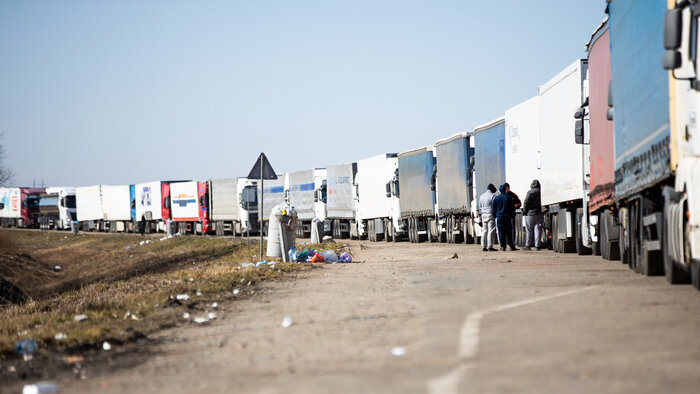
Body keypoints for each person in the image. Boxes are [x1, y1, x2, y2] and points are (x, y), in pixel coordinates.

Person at [492, 184, 518, 251]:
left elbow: (493, 209)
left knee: (501, 232)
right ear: (505, 190)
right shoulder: (509, 198)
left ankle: (503, 246)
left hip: (499, 217)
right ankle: (511, 246)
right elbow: (512, 208)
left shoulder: (496, 198)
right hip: (507, 217)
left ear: (499, 190)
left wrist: (495, 216)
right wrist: (512, 215)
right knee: (509, 232)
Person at [522, 179, 543, 250]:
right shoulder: (541, 192)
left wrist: (524, 211)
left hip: (530, 214)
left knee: (529, 230)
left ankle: (528, 245)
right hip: (539, 214)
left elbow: (526, 202)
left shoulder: (530, 192)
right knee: (538, 230)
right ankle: (538, 246)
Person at [478, 184, 498, 252]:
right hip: (490, 214)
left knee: (484, 231)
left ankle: (483, 246)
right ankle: (490, 246)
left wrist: (480, 217)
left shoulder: (481, 196)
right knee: (491, 230)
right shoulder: (493, 196)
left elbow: (480, 208)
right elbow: (495, 206)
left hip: (483, 215)